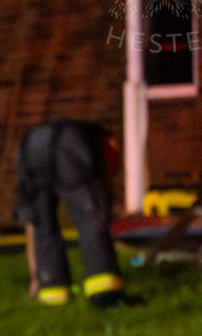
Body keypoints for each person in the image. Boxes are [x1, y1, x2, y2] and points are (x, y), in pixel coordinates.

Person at [15, 118, 127, 309]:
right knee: (90, 218)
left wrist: (36, 276)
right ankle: (104, 291)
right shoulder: (103, 143)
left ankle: (52, 291)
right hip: (66, 145)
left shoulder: (41, 136)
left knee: (42, 223)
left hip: (28, 148)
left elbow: (31, 224)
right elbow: (101, 188)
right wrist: (107, 206)